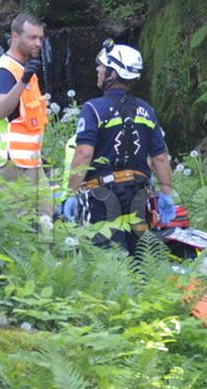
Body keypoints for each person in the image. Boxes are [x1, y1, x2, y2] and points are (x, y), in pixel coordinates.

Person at [60, 41, 176, 256]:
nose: (97, 69)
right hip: (139, 196)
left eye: (102, 66)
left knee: (109, 264)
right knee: (140, 260)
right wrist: (166, 195)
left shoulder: (93, 109)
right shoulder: (147, 111)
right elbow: (160, 158)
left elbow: (84, 153)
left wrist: (71, 194)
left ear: (113, 72)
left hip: (101, 198)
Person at [0, 13, 52, 218]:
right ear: (15, 36)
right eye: (32, 38)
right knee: (17, 224)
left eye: (40, 38)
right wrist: (22, 80)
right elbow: (1, 109)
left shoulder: (25, 69)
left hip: (31, 161)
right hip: (10, 162)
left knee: (47, 221)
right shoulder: (5, 71)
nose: (38, 43)